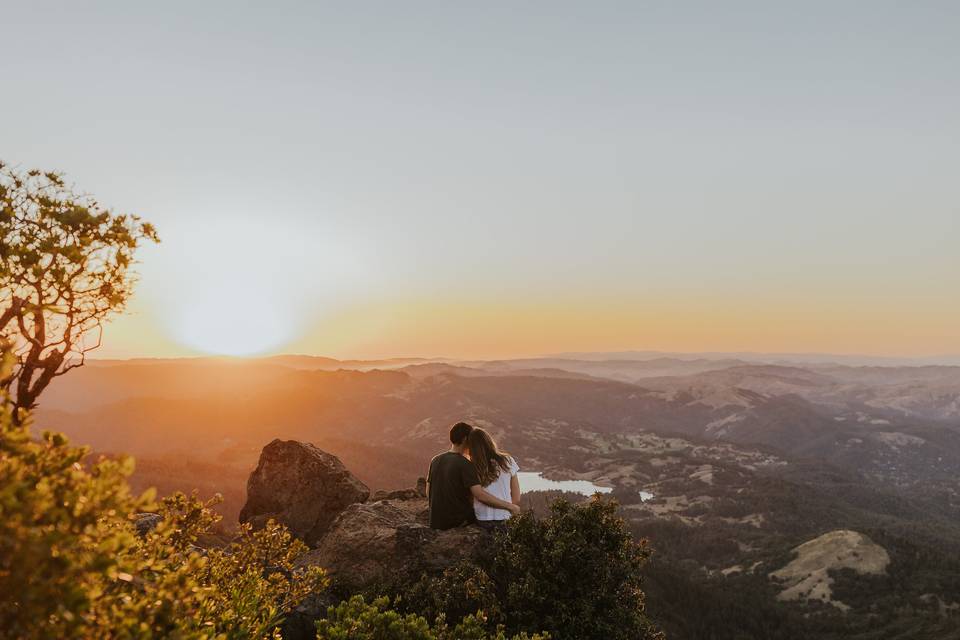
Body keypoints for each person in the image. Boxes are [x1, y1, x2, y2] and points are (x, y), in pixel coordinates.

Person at [426, 421, 520, 530]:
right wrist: (510, 507)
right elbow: (480, 495)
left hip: (435, 521)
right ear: (466, 440)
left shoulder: (435, 460)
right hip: (458, 521)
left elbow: (428, 492)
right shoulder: (466, 464)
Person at [466, 427, 521, 531]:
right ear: (489, 441)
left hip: (482, 519)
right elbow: (516, 498)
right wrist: (509, 508)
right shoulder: (508, 461)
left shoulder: (470, 466)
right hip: (506, 517)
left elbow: (476, 496)